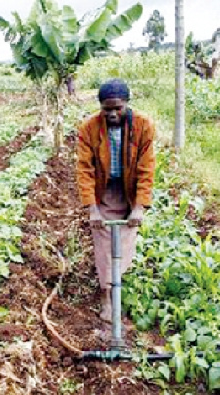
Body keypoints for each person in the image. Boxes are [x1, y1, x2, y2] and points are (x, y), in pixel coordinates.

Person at [76, 79, 156, 323]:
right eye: (106, 109)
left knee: (125, 241)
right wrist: (92, 209)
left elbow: (146, 168)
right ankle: (106, 296)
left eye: (117, 108)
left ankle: (117, 281)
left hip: (128, 189)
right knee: (103, 244)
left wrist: (139, 207)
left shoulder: (143, 126)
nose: (111, 113)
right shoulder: (89, 128)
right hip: (105, 189)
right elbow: (84, 170)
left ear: (127, 105)